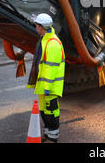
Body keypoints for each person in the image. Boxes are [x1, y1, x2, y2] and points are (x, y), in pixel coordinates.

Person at [27, 13, 65, 143]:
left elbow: (51, 68)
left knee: (52, 112)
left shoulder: (52, 43)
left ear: (41, 27)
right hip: (44, 85)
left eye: (36, 25)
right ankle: (48, 134)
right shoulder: (45, 40)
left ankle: (53, 137)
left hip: (50, 86)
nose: (35, 27)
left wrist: (47, 87)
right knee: (44, 111)